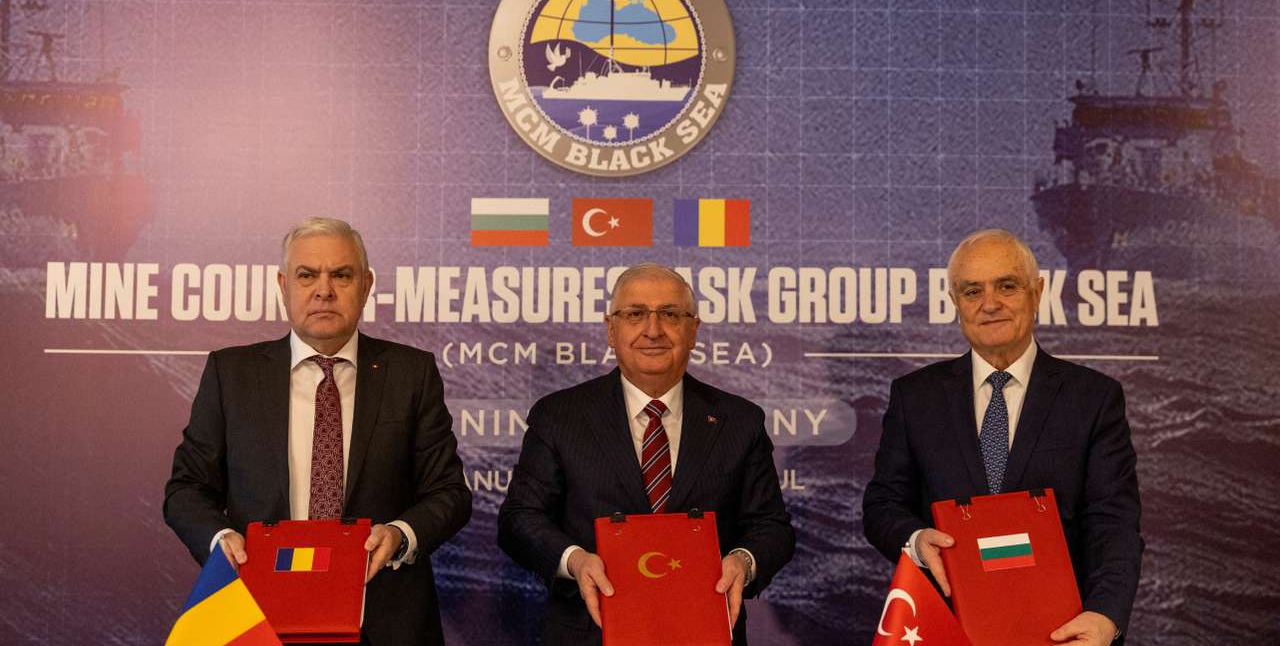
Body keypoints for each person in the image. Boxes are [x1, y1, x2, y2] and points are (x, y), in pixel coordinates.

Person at [164, 217, 471, 645]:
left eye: (341, 275)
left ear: (365, 286)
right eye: (307, 275)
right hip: (258, 615)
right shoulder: (230, 373)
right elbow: (186, 489)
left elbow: (449, 493)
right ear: (283, 284)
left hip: (384, 618)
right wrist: (220, 540)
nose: (324, 289)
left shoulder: (410, 373)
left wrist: (402, 533)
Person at [862, 229, 1143, 645]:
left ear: (1037, 291)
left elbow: (1114, 524)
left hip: (1065, 633)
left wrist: (1104, 618)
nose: (989, 304)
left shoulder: (1094, 398)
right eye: (972, 291)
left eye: (1007, 286)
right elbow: (882, 504)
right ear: (955, 303)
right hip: (947, 629)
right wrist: (917, 540)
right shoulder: (914, 397)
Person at [497, 263, 794, 645]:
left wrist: (743, 561)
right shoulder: (559, 416)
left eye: (670, 314)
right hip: (590, 631)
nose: (653, 330)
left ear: (693, 330)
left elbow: (771, 527)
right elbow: (520, 519)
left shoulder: (740, 421)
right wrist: (575, 560)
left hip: (707, 631)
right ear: (610, 329)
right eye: (635, 314)